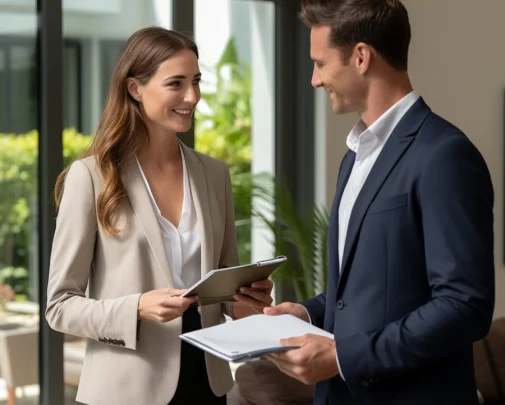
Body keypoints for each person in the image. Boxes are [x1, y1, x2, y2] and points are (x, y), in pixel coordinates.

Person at [264, 1, 495, 404]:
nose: (315, 80)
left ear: (361, 56)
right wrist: (308, 314)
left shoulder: (444, 154)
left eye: (320, 63)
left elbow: (464, 305)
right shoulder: (355, 155)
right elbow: (363, 291)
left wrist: (343, 356)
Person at [45, 27, 273, 405]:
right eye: (176, 83)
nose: (192, 97)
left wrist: (243, 300)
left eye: (196, 81)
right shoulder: (92, 177)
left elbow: (220, 281)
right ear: (135, 88)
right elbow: (59, 306)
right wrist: (136, 307)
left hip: (207, 383)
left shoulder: (214, 174)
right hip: (124, 392)